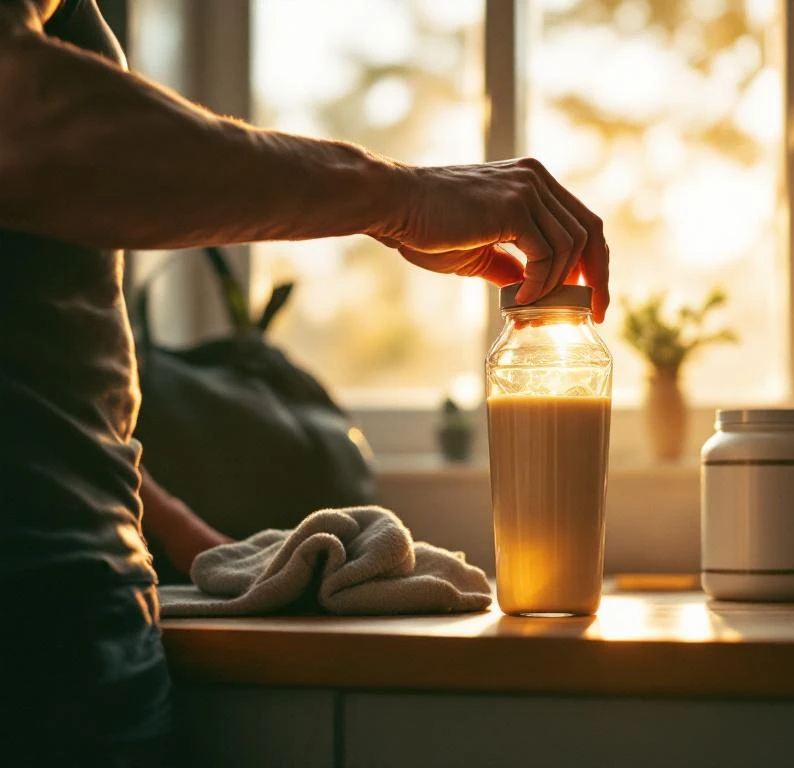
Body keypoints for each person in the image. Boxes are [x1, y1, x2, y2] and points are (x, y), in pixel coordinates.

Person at [0, 0, 610, 764]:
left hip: (82, 610)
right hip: (31, 634)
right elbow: (28, 124)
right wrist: (398, 197)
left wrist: (187, 536)